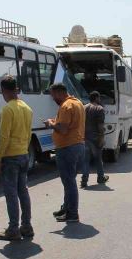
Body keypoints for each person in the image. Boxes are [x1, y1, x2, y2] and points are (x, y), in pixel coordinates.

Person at [0, 76, 34, 241]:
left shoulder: (7, 109)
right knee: (23, 192)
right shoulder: (27, 108)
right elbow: (29, 133)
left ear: (4, 90)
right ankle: (26, 226)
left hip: (10, 157)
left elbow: (4, 137)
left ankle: (13, 229)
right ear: (16, 89)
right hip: (24, 153)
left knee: (11, 194)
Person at [45, 83, 85, 223]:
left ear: (59, 93)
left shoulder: (66, 106)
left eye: (53, 95)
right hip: (77, 145)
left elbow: (62, 129)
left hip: (67, 147)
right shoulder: (77, 102)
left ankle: (72, 214)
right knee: (69, 181)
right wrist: (54, 121)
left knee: (69, 182)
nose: (53, 99)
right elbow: (68, 123)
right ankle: (67, 208)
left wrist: (50, 124)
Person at [81, 91, 108, 188]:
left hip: (84, 138)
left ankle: (84, 180)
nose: (100, 100)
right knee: (98, 159)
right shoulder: (99, 109)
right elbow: (100, 126)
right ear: (96, 98)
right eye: (99, 98)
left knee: (85, 160)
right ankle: (100, 177)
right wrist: (102, 138)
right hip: (95, 138)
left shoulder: (83, 108)